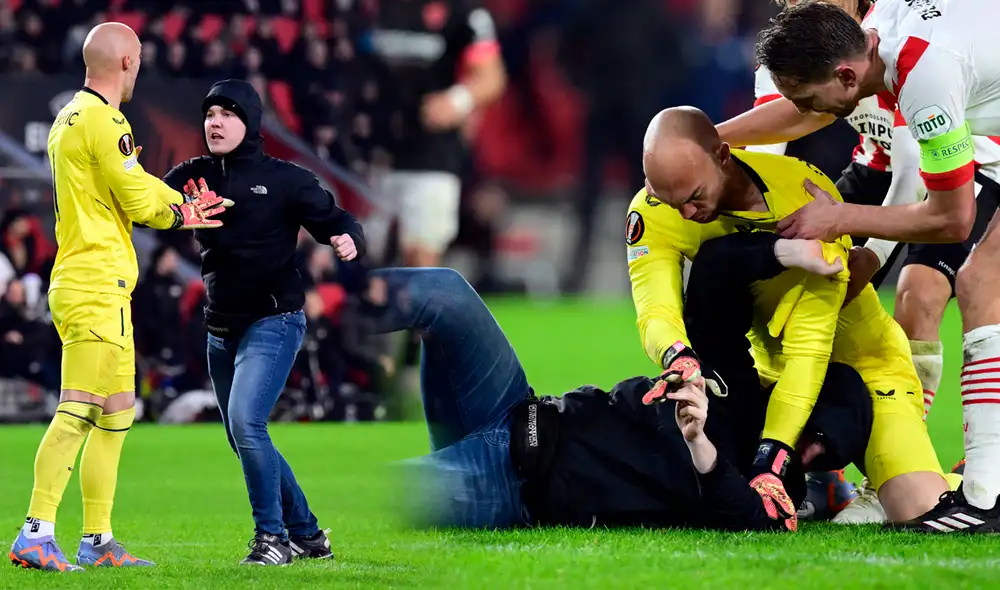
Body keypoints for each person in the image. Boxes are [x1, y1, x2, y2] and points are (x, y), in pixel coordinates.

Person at [373, 233, 869, 532]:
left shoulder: (770, 485)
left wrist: (700, 443)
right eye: (814, 439)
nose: (805, 452)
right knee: (446, 291)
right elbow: (716, 269)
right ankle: (324, 313)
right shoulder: (735, 382)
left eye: (820, 454)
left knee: (373, 492)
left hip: (511, 486)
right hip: (517, 406)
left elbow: (750, 520)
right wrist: (787, 251)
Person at [718, 0, 1000, 523]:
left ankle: (967, 488)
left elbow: (949, 215)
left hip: (974, 160)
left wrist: (856, 237)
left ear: (847, 76)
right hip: (902, 159)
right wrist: (703, 143)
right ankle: (962, 490)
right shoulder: (853, 41)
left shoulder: (921, 71)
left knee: (960, 287)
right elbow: (798, 116)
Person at [628, 106, 951, 525]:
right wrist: (677, 356)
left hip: (864, 365)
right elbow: (655, 308)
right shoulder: (655, 209)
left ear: (723, 155)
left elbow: (809, 351)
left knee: (921, 510)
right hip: (769, 379)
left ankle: (972, 481)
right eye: (672, 201)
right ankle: (820, 481)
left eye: (693, 196)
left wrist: (771, 459)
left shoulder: (805, 197)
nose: (686, 213)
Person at [9, 23, 231, 573]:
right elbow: (135, 196)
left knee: (116, 413)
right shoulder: (107, 122)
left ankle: (98, 539)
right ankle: (35, 532)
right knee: (77, 409)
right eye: (140, 58)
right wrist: (182, 213)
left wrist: (177, 198)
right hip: (93, 284)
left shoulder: (73, 116)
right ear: (128, 61)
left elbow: (132, 179)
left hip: (101, 283)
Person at [161, 79, 366, 565]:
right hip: (220, 327)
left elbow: (341, 221)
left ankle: (271, 538)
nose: (215, 123)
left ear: (251, 122)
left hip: (274, 319)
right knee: (243, 435)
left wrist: (347, 240)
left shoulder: (286, 179)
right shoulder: (192, 175)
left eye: (227, 114)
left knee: (246, 424)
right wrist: (161, 203)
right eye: (210, 114)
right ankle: (308, 536)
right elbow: (141, 203)